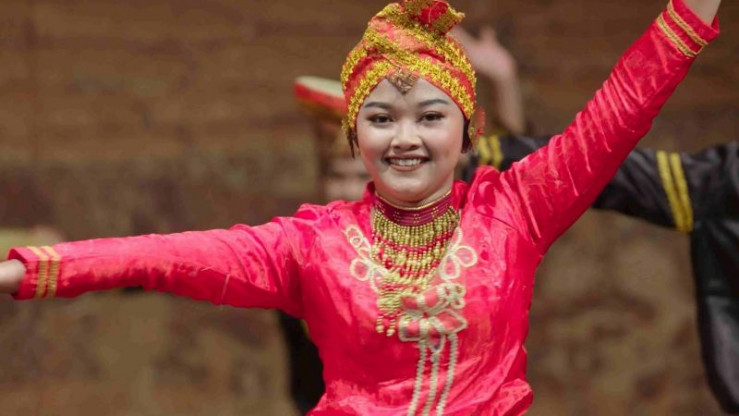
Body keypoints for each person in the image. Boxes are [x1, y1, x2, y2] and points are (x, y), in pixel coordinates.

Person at [0, 0, 723, 414]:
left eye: (430, 117)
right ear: (356, 136)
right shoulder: (309, 244)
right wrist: (23, 268)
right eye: (380, 119)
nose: (404, 138)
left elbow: (621, 108)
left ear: (468, 130)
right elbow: (160, 258)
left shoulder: (516, 210)